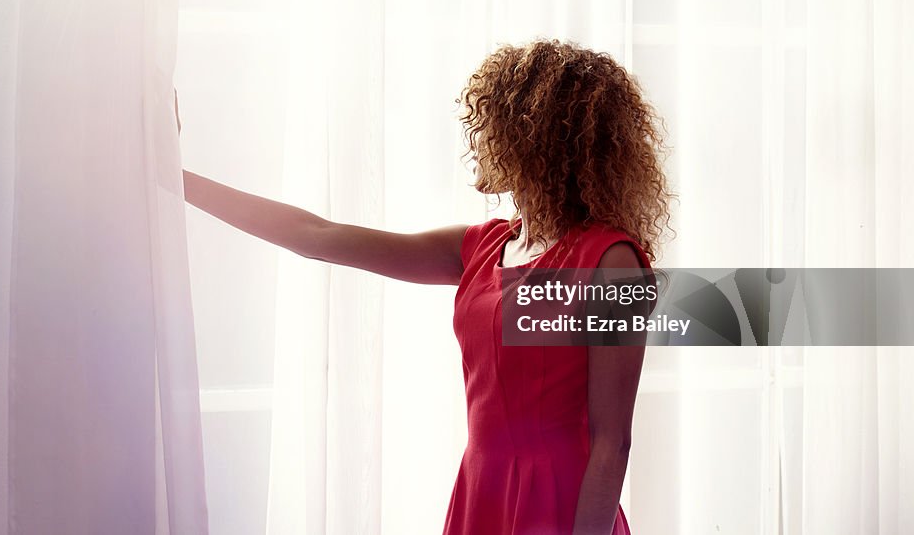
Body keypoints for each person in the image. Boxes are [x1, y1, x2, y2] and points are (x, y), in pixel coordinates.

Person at [178, 38, 672, 535]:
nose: (474, 141)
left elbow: (613, 442)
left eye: (487, 125)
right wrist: (178, 181)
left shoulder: (611, 261)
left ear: (532, 137)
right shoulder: (484, 246)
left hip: (561, 505)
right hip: (481, 488)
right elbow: (317, 237)